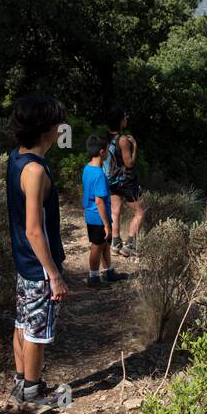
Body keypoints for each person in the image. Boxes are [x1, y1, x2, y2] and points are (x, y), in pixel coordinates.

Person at [6, 96, 69, 408]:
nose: (61, 130)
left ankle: (21, 382)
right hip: (39, 265)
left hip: (23, 261)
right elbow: (34, 229)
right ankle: (32, 391)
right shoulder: (35, 171)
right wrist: (54, 275)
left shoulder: (16, 158)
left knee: (22, 322)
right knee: (37, 332)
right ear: (47, 130)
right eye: (58, 125)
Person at [81, 133, 126, 286]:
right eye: (107, 150)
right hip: (98, 217)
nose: (108, 153)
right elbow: (99, 201)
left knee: (104, 244)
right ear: (102, 152)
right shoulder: (99, 174)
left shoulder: (88, 168)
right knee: (97, 245)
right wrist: (107, 224)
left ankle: (108, 272)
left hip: (92, 214)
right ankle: (93, 277)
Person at [103, 108, 146, 257]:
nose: (127, 120)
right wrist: (135, 146)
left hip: (111, 180)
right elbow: (129, 163)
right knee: (140, 212)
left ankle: (115, 244)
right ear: (121, 121)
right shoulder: (124, 140)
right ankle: (129, 245)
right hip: (126, 181)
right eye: (125, 118)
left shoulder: (105, 137)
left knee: (116, 211)